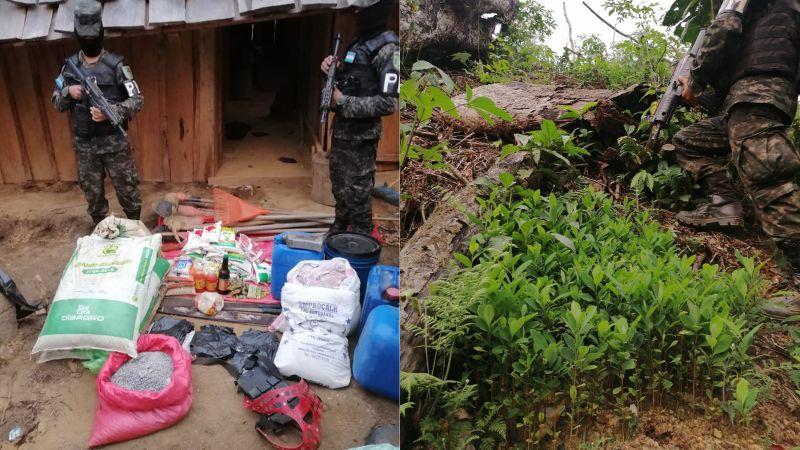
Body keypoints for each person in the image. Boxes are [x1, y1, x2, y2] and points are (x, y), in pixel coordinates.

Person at [671, 0, 800, 318]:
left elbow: (725, 27)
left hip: (757, 95)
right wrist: (701, 95)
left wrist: (697, 78)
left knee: (770, 180)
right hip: (747, 98)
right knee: (689, 142)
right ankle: (725, 206)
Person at [52, 0, 143, 227]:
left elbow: (137, 100)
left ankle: (135, 228)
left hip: (114, 145)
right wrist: (68, 92)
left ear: (101, 32)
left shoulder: (117, 66)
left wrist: (114, 110)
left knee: (128, 191)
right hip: (86, 147)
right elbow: (56, 101)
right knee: (93, 196)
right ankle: (102, 232)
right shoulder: (70, 67)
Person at [320, 0, 399, 236]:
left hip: (362, 138)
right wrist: (336, 66)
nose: (357, 17)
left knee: (358, 192)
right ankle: (339, 227)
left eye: (361, 13)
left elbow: (388, 103)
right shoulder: (358, 43)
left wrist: (343, 101)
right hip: (343, 131)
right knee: (339, 187)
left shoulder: (389, 49)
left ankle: (363, 237)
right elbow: (357, 77)